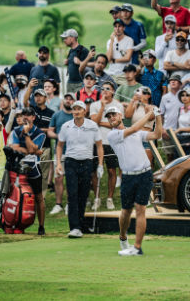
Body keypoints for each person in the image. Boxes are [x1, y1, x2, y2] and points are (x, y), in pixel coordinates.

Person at [106, 105, 162, 256]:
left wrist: (157, 116)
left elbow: (156, 134)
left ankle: (137, 247)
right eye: (109, 116)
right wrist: (149, 113)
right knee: (126, 211)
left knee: (140, 209)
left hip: (144, 174)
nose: (111, 118)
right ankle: (123, 237)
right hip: (128, 177)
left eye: (114, 115)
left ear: (121, 116)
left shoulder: (136, 132)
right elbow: (134, 129)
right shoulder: (112, 135)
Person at [56, 101, 103, 238]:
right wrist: (59, 163)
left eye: (79, 109)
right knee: (72, 194)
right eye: (74, 109)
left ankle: (81, 225)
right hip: (71, 162)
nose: (76, 111)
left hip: (87, 162)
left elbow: (99, 146)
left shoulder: (92, 126)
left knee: (83, 195)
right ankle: (74, 227)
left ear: (84, 111)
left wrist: (100, 165)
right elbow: (59, 146)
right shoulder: (66, 126)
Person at [7, 107, 47, 235]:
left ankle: (41, 227)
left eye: (29, 115)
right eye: (24, 115)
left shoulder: (40, 133)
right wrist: (32, 149)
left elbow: (31, 150)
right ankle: (13, 223)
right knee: (13, 196)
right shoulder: (15, 130)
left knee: (39, 197)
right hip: (17, 169)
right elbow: (15, 148)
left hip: (33, 169)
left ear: (33, 117)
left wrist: (26, 135)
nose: (26, 117)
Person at [90, 81, 124, 210]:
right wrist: (102, 108)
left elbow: (117, 124)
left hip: (112, 142)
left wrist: (102, 123)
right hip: (96, 142)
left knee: (111, 170)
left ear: (113, 91)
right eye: (103, 89)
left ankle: (109, 198)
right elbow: (94, 122)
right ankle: (97, 198)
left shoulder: (118, 105)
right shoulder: (95, 105)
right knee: (94, 172)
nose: (105, 91)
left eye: (108, 89)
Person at [47, 93, 76, 215]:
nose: (68, 101)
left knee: (70, 179)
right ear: (63, 101)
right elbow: (50, 131)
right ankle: (58, 204)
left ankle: (70, 204)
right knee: (58, 179)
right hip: (59, 152)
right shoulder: (57, 115)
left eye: (71, 99)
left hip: (72, 153)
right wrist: (59, 137)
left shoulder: (76, 115)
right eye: (67, 99)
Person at [160, 74, 183, 157]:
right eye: (171, 80)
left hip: (182, 131)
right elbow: (160, 114)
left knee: (181, 156)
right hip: (167, 131)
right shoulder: (164, 97)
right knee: (169, 156)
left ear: (180, 84)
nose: (172, 81)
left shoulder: (185, 96)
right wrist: (162, 129)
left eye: (175, 80)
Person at [106, 19, 134, 87]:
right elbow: (108, 59)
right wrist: (112, 41)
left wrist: (114, 60)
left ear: (124, 28)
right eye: (115, 26)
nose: (117, 29)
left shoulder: (129, 40)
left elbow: (127, 58)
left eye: (119, 26)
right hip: (111, 74)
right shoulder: (110, 41)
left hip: (123, 75)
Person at [62, 29, 90, 94]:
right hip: (70, 83)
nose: (64, 40)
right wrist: (67, 63)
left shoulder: (83, 50)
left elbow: (94, 64)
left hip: (80, 83)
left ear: (72, 38)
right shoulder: (70, 51)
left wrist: (80, 62)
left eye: (66, 38)